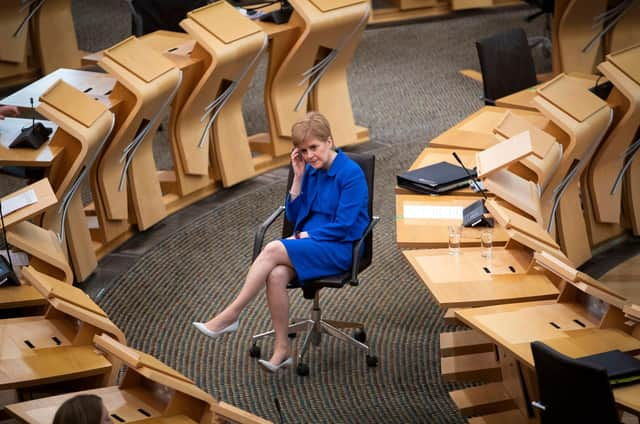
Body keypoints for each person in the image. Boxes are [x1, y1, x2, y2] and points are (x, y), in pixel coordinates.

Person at [193, 111, 369, 372]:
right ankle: (282, 349)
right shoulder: (309, 170)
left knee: (273, 248)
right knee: (275, 275)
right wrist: (297, 177)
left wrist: (306, 236)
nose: (309, 156)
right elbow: (295, 216)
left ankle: (231, 314)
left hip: (340, 247)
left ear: (329, 142)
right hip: (310, 244)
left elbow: (344, 226)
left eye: (314, 148)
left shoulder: (350, 174)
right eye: (303, 150)